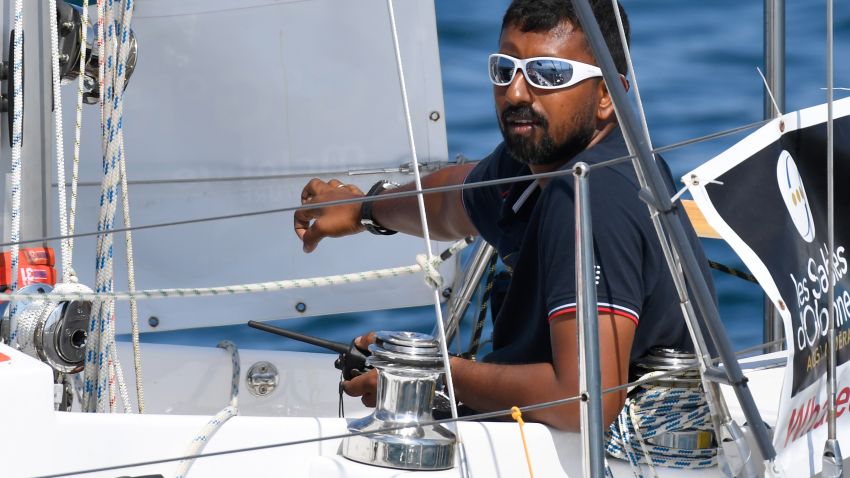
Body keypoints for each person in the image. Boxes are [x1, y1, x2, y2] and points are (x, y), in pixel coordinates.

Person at [293, 0, 715, 432]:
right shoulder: (542, 159)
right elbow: (453, 201)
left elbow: (585, 400)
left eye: (548, 75)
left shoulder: (589, 194)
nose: (515, 93)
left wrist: (427, 374)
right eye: (504, 69)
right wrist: (366, 209)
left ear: (607, 95)